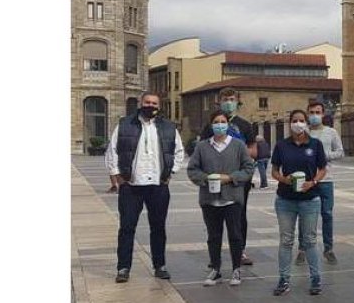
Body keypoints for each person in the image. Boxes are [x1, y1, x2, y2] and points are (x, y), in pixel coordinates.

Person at [107, 92, 186, 283]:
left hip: (158, 186)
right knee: (127, 227)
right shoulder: (125, 124)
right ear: (141, 104)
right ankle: (123, 267)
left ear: (159, 106)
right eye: (147, 102)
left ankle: (160, 265)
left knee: (158, 227)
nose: (150, 106)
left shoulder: (168, 127)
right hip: (131, 186)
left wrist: (170, 172)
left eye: (154, 103)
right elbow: (112, 150)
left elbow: (179, 152)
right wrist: (118, 175)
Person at [187, 112, 255, 286]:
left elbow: (248, 168)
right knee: (213, 236)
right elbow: (192, 169)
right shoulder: (202, 147)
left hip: (232, 198)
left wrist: (231, 178)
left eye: (223, 122)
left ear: (227, 125)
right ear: (211, 125)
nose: (219, 125)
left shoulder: (238, 145)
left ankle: (236, 269)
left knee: (235, 234)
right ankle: (216, 268)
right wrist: (205, 178)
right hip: (210, 199)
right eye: (216, 122)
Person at [269, 109, 327, 296]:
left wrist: (314, 182)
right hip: (285, 199)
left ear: (306, 123)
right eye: (295, 120)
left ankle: (316, 278)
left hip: (309, 199)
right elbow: (274, 171)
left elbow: (323, 168)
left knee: (309, 240)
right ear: (290, 123)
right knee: (286, 240)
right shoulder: (281, 146)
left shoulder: (315, 145)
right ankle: (284, 279)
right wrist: (284, 179)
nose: (298, 124)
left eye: (301, 120)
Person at [199, 88, 257, 266]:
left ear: (237, 101)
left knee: (239, 215)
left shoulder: (245, 125)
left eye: (232, 99)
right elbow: (202, 150)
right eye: (225, 99)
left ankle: (240, 252)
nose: (228, 102)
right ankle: (214, 255)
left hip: (238, 180)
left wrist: (234, 153)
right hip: (215, 179)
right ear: (219, 101)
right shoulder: (210, 126)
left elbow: (253, 151)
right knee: (214, 216)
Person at [300, 101, 345, 266]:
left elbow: (340, 152)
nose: (314, 115)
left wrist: (323, 155)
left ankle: (328, 248)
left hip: (326, 179)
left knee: (327, 214)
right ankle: (302, 248)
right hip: (306, 180)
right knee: (304, 214)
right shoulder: (303, 132)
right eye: (311, 112)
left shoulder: (331, 132)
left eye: (317, 112)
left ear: (323, 113)